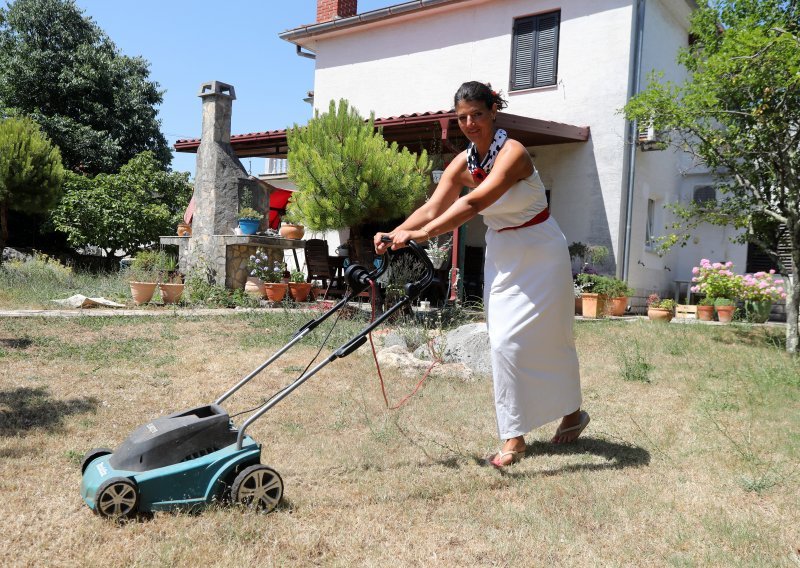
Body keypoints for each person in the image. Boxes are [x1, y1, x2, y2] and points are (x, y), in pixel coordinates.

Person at [374, 81, 589, 467]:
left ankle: (572, 414)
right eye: (462, 118)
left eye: (476, 114)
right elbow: (433, 206)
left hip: (542, 249)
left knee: (554, 337)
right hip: (504, 254)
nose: (470, 123)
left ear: (493, 111)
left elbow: (476, 201)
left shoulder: (514, 153)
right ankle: (514, 436)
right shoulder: (463, 162)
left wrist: (420, 235)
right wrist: (397, 232)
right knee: (503, 341)